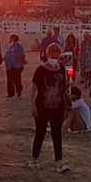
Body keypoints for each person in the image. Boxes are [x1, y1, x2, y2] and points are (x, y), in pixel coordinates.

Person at [29, 43, 71, 172]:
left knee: (56, 134)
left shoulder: (61, 69)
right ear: (47, 55)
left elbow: (63, 88)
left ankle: (59, 161)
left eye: (57, 55)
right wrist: (32, 105)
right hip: (42, 106)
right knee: (40, 133)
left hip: (57, 107)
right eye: (53, 55)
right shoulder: (40, 70)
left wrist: (66, 102)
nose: (55, 58)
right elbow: (33, 88)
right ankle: (34, 158)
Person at [4, 33, 26, 98]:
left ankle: (16, 91)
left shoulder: (17, 47)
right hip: (11, 65)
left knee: (16, 80)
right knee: (12, 80)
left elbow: (21, 55)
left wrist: (17, 57)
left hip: (16, 66)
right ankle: (12, 93)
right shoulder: (12, 47)